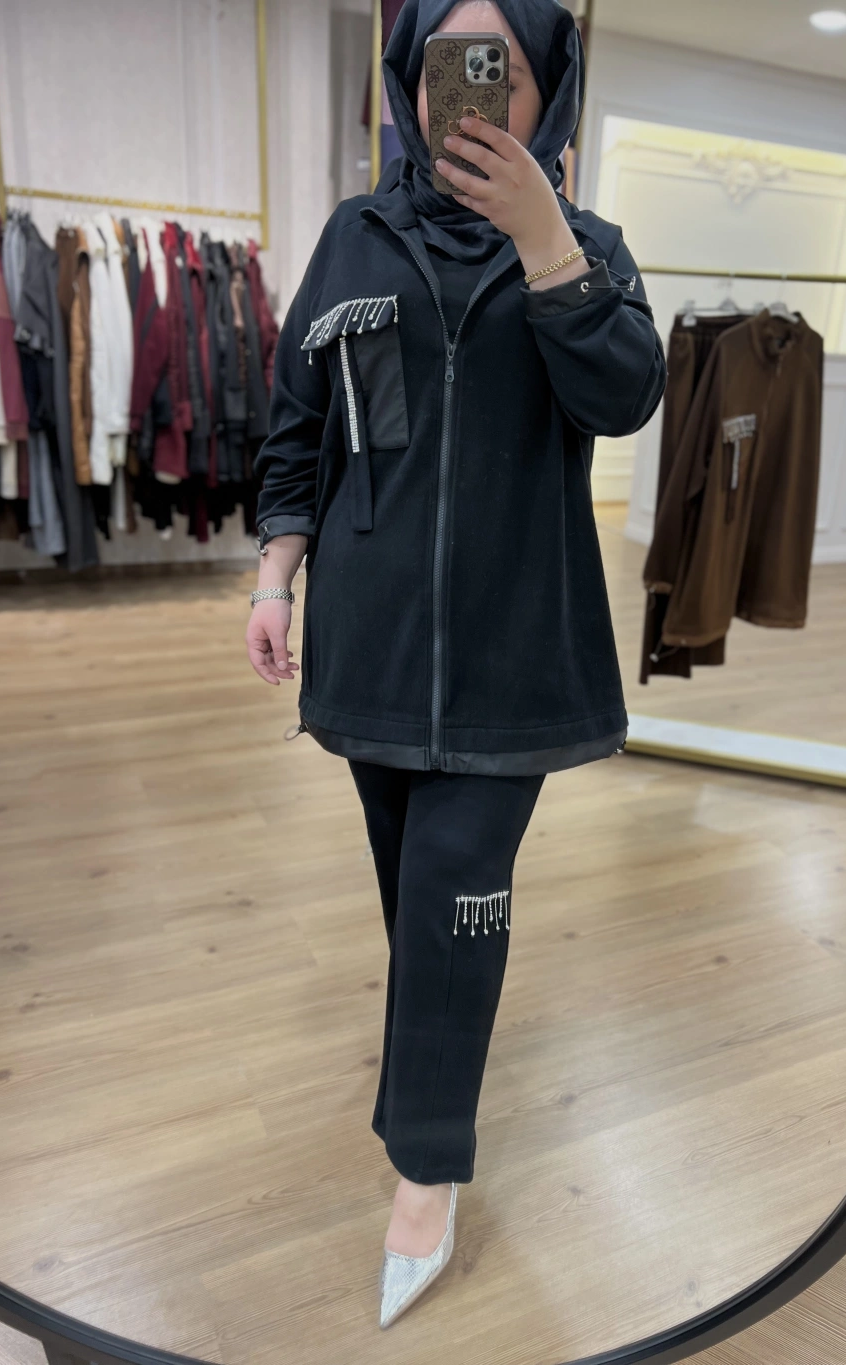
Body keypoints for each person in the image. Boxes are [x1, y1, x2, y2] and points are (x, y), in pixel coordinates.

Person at [246, 0, 666, 1328]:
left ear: (551, 91)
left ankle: (425, 1169)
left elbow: (624, 397)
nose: (468, 96)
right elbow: (301, 420)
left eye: (504, 70)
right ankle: (430, 1044)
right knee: (414, 892)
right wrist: (275, 573)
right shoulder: (355, 237)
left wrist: (545, 240)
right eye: (447, 66)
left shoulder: (591, 249)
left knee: (452, 887)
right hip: (371, 641)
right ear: (410, 80)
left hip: (515, 647)